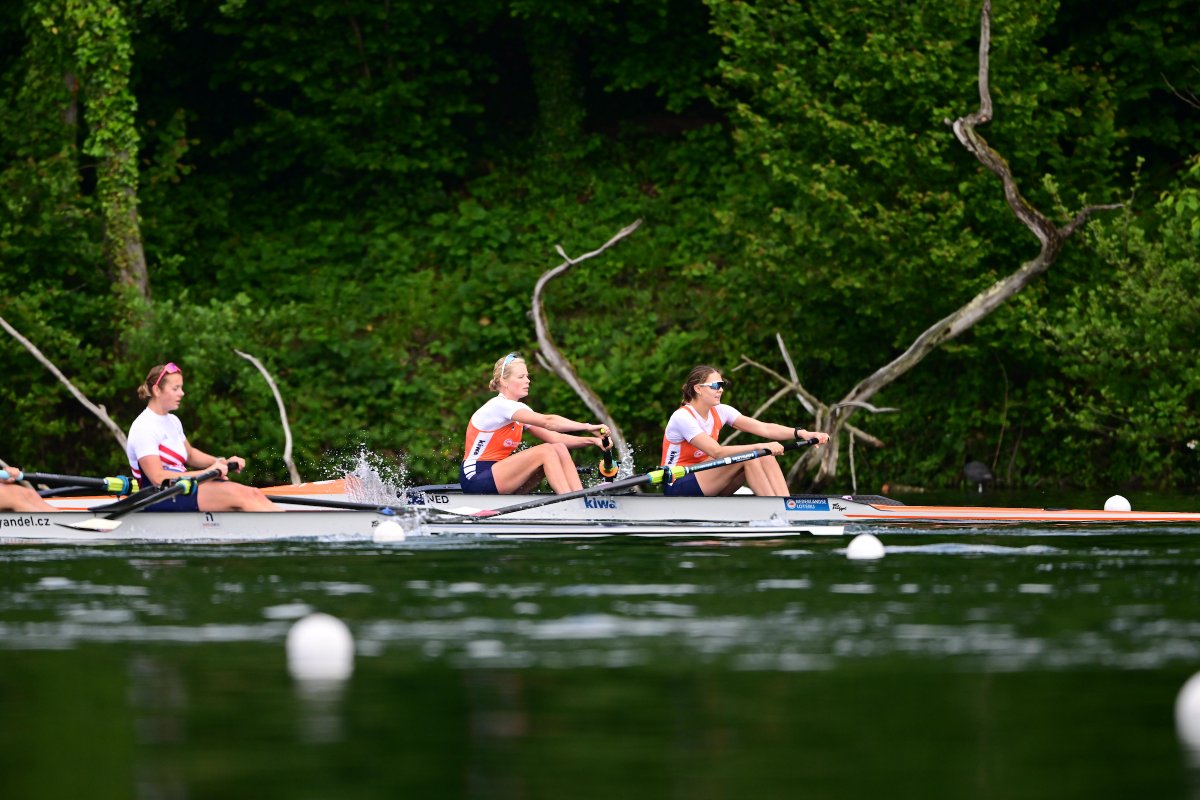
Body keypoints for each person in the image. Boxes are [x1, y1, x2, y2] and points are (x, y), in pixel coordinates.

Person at [126, 362, 276, 512]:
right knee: (242, 496)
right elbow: (157, 478)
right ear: (157, 390)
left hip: (181, 488)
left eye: (181, 388)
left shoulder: (173, 421)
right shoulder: (143, 427)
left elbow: (190, 455)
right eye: (175, 388)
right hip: (158, 496)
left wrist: (221, 462)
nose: (182, 393)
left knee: (253, 493)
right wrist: (207, 473)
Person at [661, 364, 829, 496]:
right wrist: (758, 447)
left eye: (722, 384)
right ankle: (775, 510)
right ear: (698, 388)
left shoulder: (721, 410)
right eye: (715, 385)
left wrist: (801, 433)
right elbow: (717, 452)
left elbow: (765, 428)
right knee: (750, 456)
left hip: (707, 478)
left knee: (765, 455)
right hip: (678, 483)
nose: (720, 389)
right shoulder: (682, 417)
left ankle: (785, 503)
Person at [461, 352, 612, 494]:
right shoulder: (499, 406)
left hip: (497, 474)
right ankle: (570, 500)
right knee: (546, 451)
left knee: (558, 448)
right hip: (475, 477)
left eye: (527, 376)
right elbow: (549, 422)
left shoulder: (520, 410)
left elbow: (556, 438)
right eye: (521, 377)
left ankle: (579, 496)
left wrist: (593, 440)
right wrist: (587, 426)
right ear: (504, 381)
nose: (528, 380)